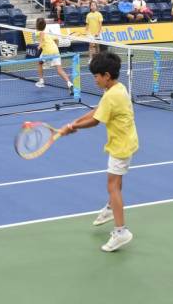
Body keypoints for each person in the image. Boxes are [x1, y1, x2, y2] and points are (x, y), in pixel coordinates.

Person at [59, 52, 138, 252]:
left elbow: (95, 121)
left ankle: (121, 232)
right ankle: (111, 208)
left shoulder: (112, 96)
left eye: (96, 76)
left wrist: (73, 128)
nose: (95, 79)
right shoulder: (117, 89)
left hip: (120, 146)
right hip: (125, 141)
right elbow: (96, 110)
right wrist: (74, 122)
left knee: (112, 186)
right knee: (116, 183)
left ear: (106, 76)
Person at [34, 18, 73, 93]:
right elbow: (56, 40)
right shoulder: (48, 33)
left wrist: (40, 45)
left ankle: (41, 81)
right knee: (59, 69)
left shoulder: (37, 33)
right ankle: (69, 83)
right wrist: (56, 47)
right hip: (55, 50)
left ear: (36, 25)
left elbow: (41, 34)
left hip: (47, 51)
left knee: (39, 63)